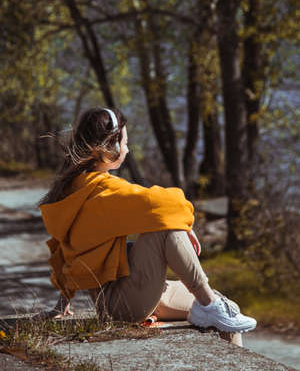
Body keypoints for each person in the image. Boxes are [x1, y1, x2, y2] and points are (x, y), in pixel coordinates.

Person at [38, 107, 256, 346]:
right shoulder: (102, 190)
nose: (128, 149)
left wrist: (63, 302)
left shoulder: (75, 188)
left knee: (230, 309)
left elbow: (64, 248)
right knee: (164, 228)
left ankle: (212, 307)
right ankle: (209, 305)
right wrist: (184, 222)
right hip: (124, 302)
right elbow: (162, 201)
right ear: (110, 147)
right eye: (125, 142)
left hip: (129, 292)